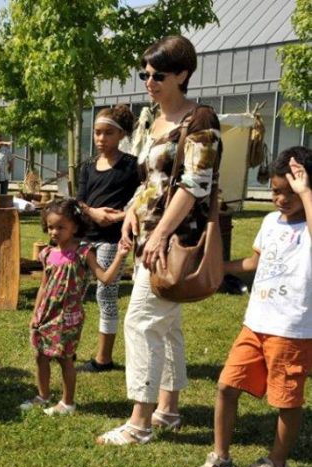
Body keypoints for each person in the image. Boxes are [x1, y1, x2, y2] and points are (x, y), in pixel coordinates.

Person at [97, 36, 222, 445]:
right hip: (149, 235)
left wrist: (163, 232)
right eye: (145, 73)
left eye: (158, 74)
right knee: (167, 326)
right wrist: (132, 211)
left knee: (141, 321)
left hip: (174, 240)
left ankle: (140, 421)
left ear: (183, 74)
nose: (149, 81)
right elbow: (151, 180)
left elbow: (194, 184)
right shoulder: (154, 120)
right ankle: (167, 409)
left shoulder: (200, 120)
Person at [187, 148, 312, 467]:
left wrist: (306, 193)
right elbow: (255, 262)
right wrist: (218, 270)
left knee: (286, 400)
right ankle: (220, 456)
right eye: (275, 191)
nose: (280, 199)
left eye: (289, 191)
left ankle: (276, 464)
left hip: (291, 330)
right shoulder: (270, 222)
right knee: (227, 386)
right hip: (255, 324)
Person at [21, 199, 130, 414]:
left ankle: (67, 403)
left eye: (61, 227)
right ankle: (43, 396)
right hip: (46, 314)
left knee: (65, 359)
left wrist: (120, 256)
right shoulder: (47, 254)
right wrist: (36, 313)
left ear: (75, 227)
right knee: (40, 355)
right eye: (51, 227)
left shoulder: (83, 252)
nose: (54, 232)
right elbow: (44, 285)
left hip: (68, 316)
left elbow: (105, 278)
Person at [76, 105, 140, 372]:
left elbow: (142, 199)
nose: (101, 139)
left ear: (121, 135)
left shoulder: (132, 166)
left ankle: (104, 358)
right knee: (73, 292)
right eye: (97, 133)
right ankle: (66, 346)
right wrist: (93, 212)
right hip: (84, 239)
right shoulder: (88, 167)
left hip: (113, 241)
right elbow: (79, 201)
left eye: (108, 133)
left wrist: (119, 217)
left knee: (106, 293)